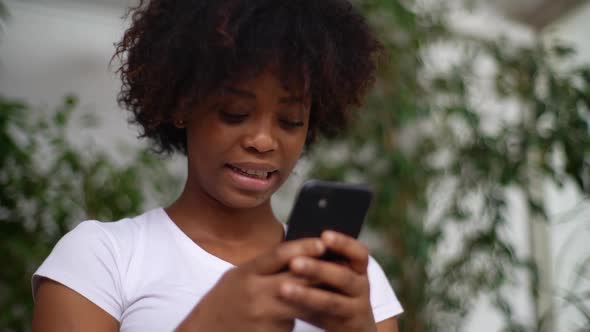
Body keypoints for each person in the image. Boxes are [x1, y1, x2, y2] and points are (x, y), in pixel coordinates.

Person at [31, 0, 403, 331]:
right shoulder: (102, 257)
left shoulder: (349, 281)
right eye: (235, 113)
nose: (263, 140)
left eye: (290, 120)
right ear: (181, 105)